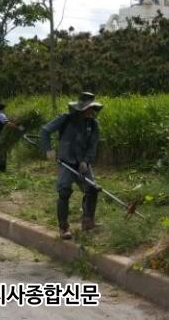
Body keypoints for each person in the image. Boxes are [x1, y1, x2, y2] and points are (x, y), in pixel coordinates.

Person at [40, 92, 102, 240]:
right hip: (66, 162)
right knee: (64, 192)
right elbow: (45, 131)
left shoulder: (93, 124)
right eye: (88, 108)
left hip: (82, 163)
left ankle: (88, 221)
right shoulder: (66, 119)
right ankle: (63, 228)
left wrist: (86, 161)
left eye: (92, 108)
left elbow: (92, 146)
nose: (90, 111)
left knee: (92, 189)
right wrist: (48, 150)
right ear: (81, 107)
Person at [0, 103, 23, 172]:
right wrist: (19, 127)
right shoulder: (1, 115)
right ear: (3, 109)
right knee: (2, 154)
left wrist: (14, 121)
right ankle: (1, 170)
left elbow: (6, 123)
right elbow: (7, 124)